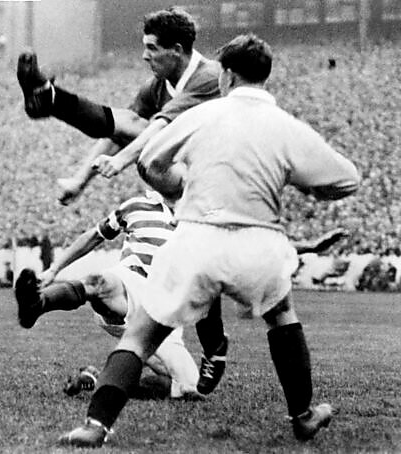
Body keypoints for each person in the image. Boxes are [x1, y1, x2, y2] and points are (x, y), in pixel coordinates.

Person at [58, 34, 360, 447]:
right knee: (282, 315)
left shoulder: (202, 115)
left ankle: (95, 425)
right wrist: (307, 186)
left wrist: (182, 179)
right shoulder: (287, 126)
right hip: (257, 241)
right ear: (263, 76)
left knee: (141, 335)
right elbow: (346, 179)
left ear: (227, 75)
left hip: (196, 236)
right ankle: (303, 416)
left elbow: (150, 160)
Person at [15, 190, 226, 399]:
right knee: (98, 283)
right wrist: (54, 270)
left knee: (189, 386)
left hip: (164, 310)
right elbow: (94, 236)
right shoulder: (136, 206)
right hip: (130, 285)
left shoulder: (199, 219)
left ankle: (99, 381)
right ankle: (38, 304)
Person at [16, 7, 221, 205]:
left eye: (152, 48)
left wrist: (120, 160)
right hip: (185, 175)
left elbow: (162, 127)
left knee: (150, 135)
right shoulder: (157, 85)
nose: (144, 56)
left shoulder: (210, 78)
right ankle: (50, 98)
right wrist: (79, 181)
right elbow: (119, 131)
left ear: (176, 50)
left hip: (219, 179)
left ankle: (52, 99)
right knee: (133, 124)